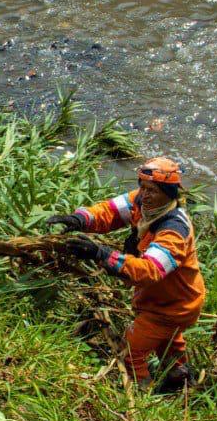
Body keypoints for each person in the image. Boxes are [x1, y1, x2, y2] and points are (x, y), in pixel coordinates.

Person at [47, 157, 206, 392]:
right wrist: (79, 219)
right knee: (167, 342)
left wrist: (101, 254)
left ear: (169, 193)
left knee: (131, 353)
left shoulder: (174, 230)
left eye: (152, 189)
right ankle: (180, 379)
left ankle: (143, 394)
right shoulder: (142, 202)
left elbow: (149, 271)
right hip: (168, 299)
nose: (145, 194)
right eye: (142, 186)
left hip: (171, 306)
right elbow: (109, 213)